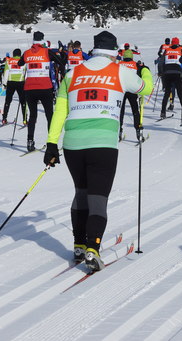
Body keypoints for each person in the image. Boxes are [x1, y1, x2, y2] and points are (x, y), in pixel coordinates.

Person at [44, 31, 153, 271]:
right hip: (103, 143)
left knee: (81, 192)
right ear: (114, 52)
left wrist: (51, 143)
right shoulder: (120, 71)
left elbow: (59, 110)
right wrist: (145, 70)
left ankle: (78, 244)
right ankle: (93, 248)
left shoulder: (72, 73)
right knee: (98, 198)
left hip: (73, 144)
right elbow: (146, 89)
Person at [19, 31, 64, 152]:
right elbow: (60, 61)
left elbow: (19, 63)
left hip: (29, 88)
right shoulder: (46, 51)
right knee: (49, 115)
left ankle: (30, 141)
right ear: (43, 40)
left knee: (33, 115)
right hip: (45, 87)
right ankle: (51, 143)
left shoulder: (27, 52)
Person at [118, 50, 146, 141]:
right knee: (135, 110)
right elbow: (143, 72)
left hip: (121, 90)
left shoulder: (119, 64)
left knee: (120, 111)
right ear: (131, 56)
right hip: (132, 90)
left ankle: (119, 130)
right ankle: (138, 130)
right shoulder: (135, 64)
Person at [159, 37, 182, 120]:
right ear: (178, 43)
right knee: (180, 94)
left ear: (171, 43)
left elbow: (161, 62)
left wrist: (161, 72)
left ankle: (163, 112)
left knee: (167, 94)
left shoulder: (167, 50)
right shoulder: (180, 50)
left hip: (167, 73)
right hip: (177, 73)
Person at [2, 48, 27, 125]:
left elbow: (6, 72)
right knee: (23, 101)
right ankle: (25, 120)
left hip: (10, 83)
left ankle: (4, 118)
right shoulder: (23, 61)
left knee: (8, 101)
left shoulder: (9, 61)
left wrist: (4, 83)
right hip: (20, 82)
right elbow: (26, 73)